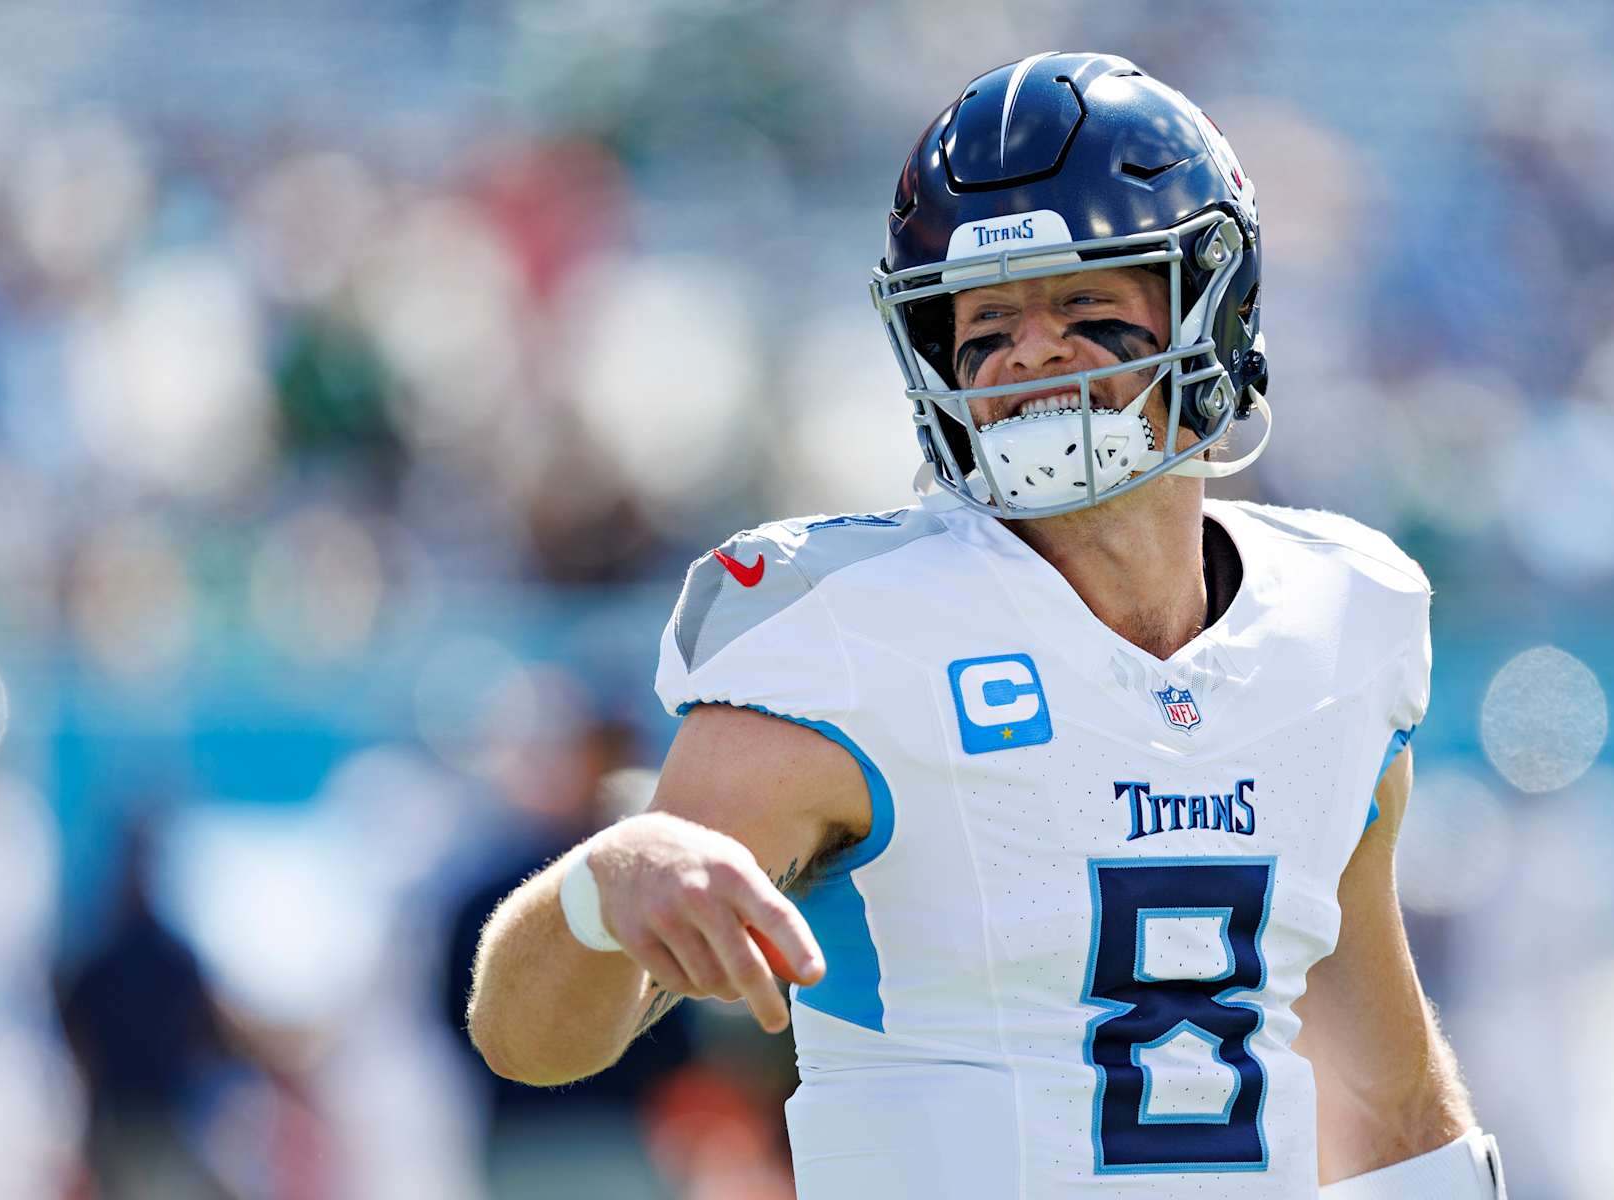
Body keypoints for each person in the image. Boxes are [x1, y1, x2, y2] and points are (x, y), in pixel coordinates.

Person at [468, 51, 1506, 1199]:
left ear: (1214, 305)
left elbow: (1388, 1100)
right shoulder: (843, 634)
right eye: (990, 316)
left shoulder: (1337, 622)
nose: (1031, 351)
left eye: (1085, 302)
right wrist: (607, 882)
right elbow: (531, 1040)